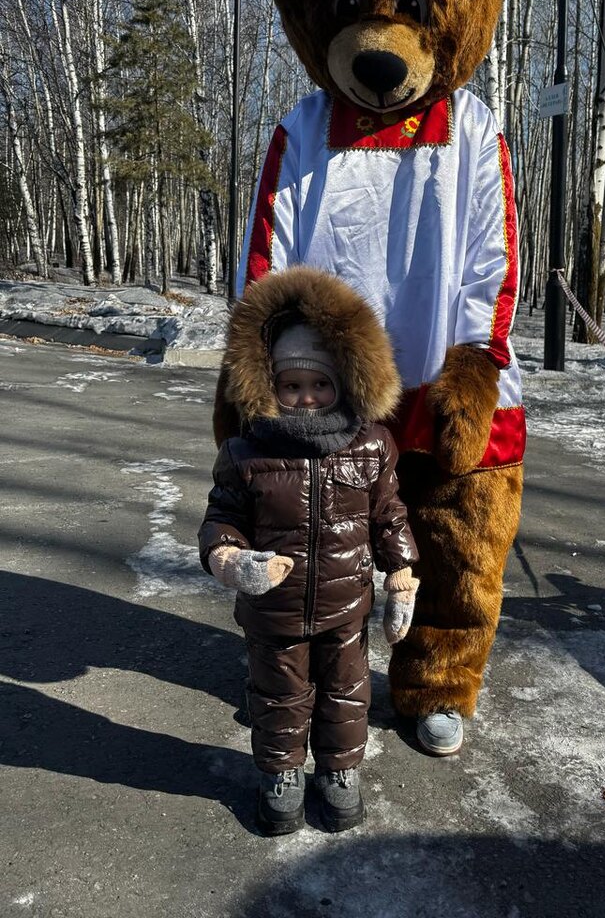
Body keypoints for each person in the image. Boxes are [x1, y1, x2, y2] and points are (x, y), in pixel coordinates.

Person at [199, 265, 418, 835]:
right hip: (273, 610)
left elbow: (388, 513)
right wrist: (229, 558)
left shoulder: (371, 445)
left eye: (319, 384)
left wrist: (401, 573)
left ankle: (340, 771)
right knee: (278, 695)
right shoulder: (247, 451)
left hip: (346, 607)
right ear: (267, 384)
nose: (305, 397)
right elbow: (222, 518)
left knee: (347, 692)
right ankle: (281, 772)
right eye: (290, 385)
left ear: (346, 382)